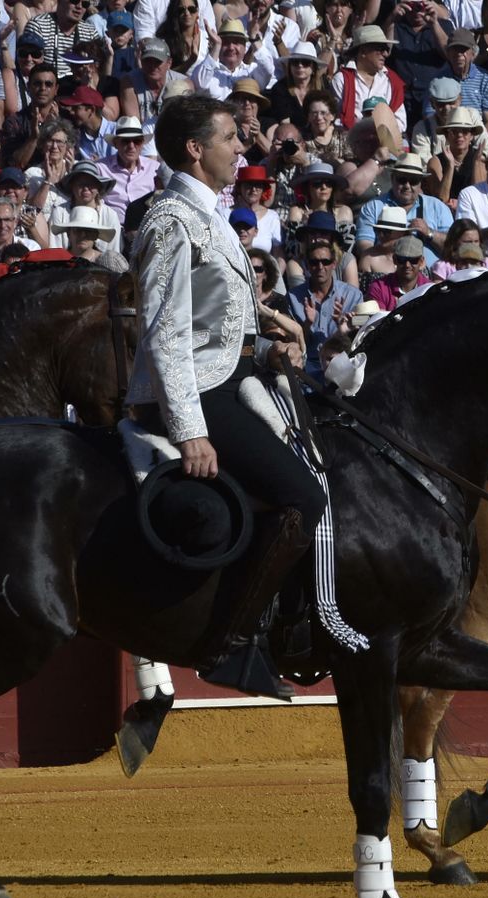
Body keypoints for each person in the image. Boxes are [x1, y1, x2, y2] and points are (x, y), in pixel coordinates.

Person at [126, 92, 325, 698]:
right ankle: (236, 643)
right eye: (231, 139)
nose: (243, 149)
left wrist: (267, 339)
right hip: (196, 391)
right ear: (195, 149)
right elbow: (165, 330)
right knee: (302, 495)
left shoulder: (207, 213)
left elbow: (215, 321)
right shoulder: (171, 220)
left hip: (228, 374)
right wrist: (189, 429)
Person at [288, 234, 363, 374]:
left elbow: (365, 321)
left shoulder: (352, 295)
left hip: (342, 365)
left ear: (334, 264)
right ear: (307, 265)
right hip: (306, 367)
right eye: (314, 262)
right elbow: (292, 342)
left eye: (325, 261)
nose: (320, 267)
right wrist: (307, 324)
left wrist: (346, 326)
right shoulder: (293, 297)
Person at [365, 234, 429, 310]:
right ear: (394, 259)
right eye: (402, 259)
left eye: (413, 260)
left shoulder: (431, 290)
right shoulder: (378, 288)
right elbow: (378, 320)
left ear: (421, 261)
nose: (407, 265)